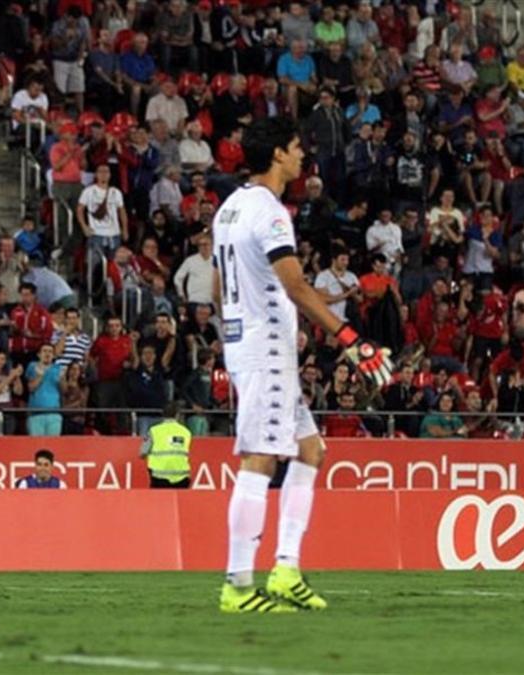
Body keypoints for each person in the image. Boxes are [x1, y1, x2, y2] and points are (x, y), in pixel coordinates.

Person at [214, 116, 392, 614]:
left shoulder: (229, 209)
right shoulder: (270, 213)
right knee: (259, 457)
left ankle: (286, 569)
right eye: (295, 148)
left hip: (248, 342)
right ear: (276, 155)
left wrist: (234, 335)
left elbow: (214, 288)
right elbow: (295, 285)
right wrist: (350, 337)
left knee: (310, 450)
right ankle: (238, 585)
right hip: (265, 347)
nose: (301, 158)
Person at [140, 401, 193, 488]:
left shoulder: (154, 431)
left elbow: (142, 453)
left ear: (163, 414)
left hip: (159, 478)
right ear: (177, 415)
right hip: (182, 478)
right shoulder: (186, 432)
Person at [26, 343, 64, 436]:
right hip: (36, 414)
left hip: (54, 414)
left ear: (53, 355)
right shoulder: (32, 366)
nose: (47, 354)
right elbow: (31, 388)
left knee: (53, 447)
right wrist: (40, 375)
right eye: (45, 351)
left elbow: (64, 391)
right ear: (39, 354)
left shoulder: (58, 368)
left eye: (50, 352)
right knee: (36, 446)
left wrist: (62, 380)